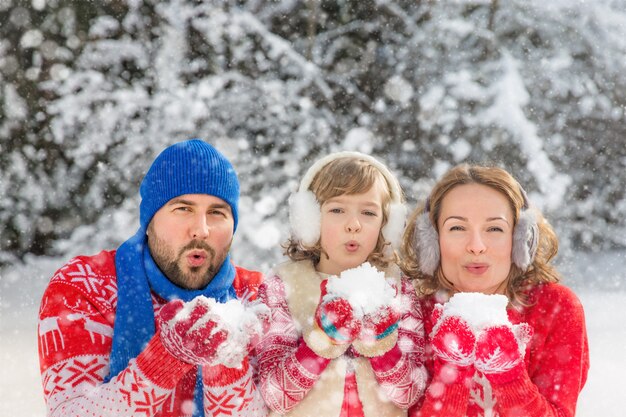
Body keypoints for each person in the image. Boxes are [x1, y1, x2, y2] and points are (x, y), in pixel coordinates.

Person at [38, 139, 268, 417]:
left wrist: (225, 365)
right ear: (150, 222)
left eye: (217, 212)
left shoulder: (256, 296)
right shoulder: (85, 286)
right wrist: (166, 357)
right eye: (183, 209)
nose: (201, 229)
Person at [401, 164, 589, 417]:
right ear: (431, 241)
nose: (476, 246)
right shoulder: (411, 311)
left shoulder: (556, 307)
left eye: (494, 229)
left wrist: (508, 375)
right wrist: (452, 376)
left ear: (521, 239)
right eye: (457, 228)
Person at [256, 151, 428, 417]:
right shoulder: (284, 286)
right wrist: (321, 342)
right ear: (310, 218)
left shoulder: (398, 289)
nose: (354, 225)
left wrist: (382, 347)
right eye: (337, 210)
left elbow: (409, 393)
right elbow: (274, 395)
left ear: (387, 225)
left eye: (369, 212)